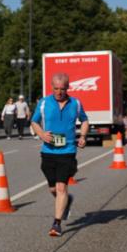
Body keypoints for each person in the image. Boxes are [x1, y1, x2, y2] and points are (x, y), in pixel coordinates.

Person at [30, 73, 89, 237]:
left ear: (67, 88)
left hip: (68, 152)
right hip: (48, 151)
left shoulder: (75, 103)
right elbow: (34, 121)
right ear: (51, 87)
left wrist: (83, 137)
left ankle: (56, 224)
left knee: (61, 186)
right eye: (56, 89)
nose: (59, 92)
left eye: (62, 89)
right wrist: (41, 134)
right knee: (52, 188)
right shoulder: (43, 103)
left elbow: (84, 120)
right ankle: (66, 201)